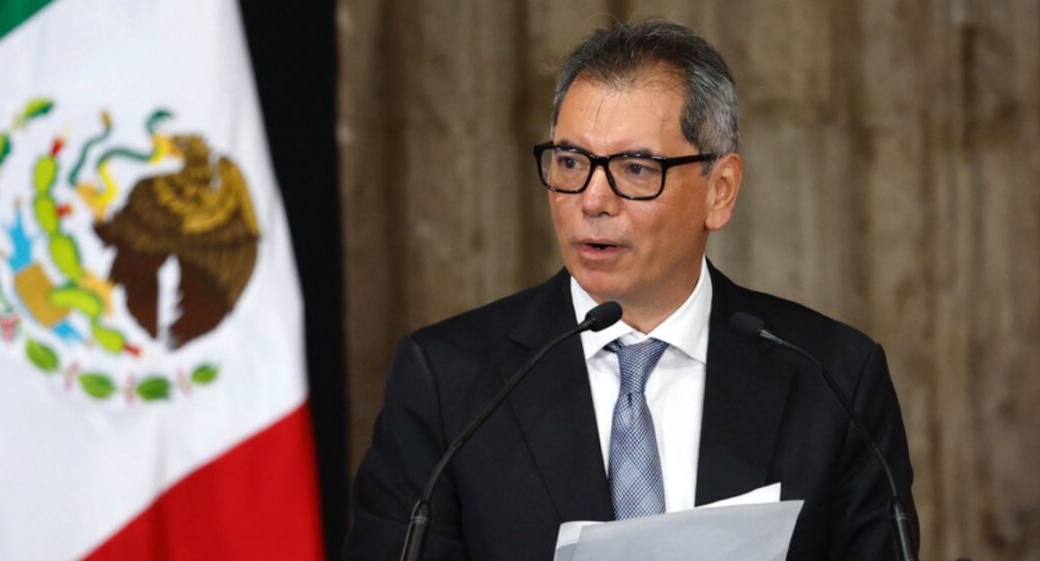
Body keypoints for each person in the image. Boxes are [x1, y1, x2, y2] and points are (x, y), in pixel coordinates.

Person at [343, 20, 917, 561]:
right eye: (571, 162)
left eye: (636, 169)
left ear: (720, 190)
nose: (592, 199)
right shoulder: (450, 381)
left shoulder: (832, 377)